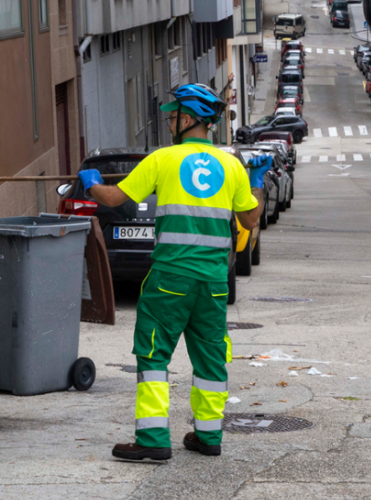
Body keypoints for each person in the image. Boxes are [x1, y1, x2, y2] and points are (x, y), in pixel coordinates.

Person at [77, 83, 273, 461]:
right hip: (214, 282)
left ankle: (152, 440)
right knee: (211, 358)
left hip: (170, 278)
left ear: (187, 119)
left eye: (173, 115)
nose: (169, 122)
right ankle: (209, 437)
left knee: (153, 356)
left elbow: (115, 200)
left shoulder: (163, 160)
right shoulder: (232, 165)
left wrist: (92, 184)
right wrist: (258, 181)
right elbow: (250, 218)